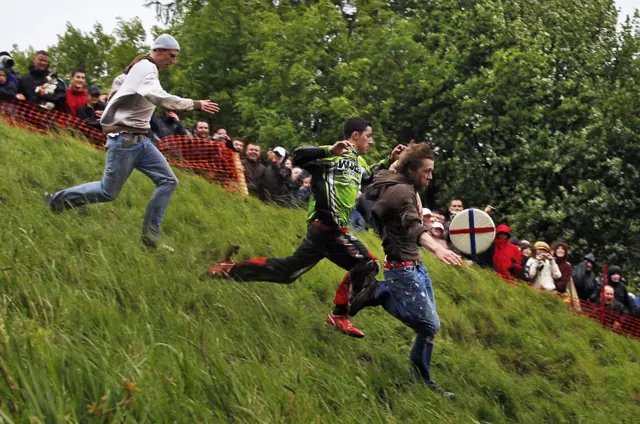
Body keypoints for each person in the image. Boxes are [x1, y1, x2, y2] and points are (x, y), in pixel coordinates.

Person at [204, 118, 404, 338]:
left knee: (288, 272)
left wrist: (389, 160)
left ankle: (229, 269)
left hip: (327, 231)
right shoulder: (332, 155)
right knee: (368, 263)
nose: (371, 141)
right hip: (326, 225)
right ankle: (339, 315)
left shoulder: (360, 163)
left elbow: (368, 178)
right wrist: (328, 149)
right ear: (355, 136)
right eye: (369, 135)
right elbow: (298, 155)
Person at [44, 34, 219, 250]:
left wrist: (115, 107)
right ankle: (56, 200)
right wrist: (195, 104)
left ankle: (150, 236)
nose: (173, 61)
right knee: (107, 192)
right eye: (171, 56)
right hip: (124, 143)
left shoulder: (141, 68)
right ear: (160, 50)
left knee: (168, 181)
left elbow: (121, 84)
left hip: (142, 142)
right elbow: (159, 97)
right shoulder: (147, 68)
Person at [349, 142, 461, 399]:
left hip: (415, 266)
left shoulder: (394, 177)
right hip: (402, 271)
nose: (431, 176)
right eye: (427, 171)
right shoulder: (403, 193)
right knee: (429, 324)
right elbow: (415, 228)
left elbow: (376, 174)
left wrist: (393, 159)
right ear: (411, 170)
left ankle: (422, 380)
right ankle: (379, 292)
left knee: (429, 329)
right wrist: (439, 250)